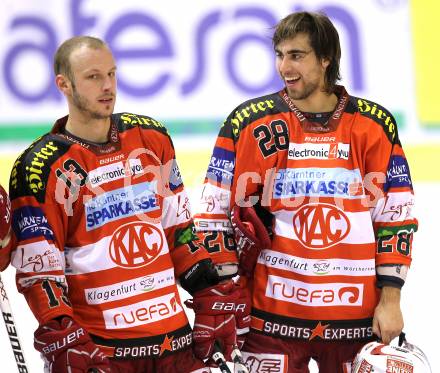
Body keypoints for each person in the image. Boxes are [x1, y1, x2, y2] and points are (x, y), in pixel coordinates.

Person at [7, 36, 247, 373]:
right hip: (102, 355)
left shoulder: (150, 138)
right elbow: (40, 272)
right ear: (64, 84)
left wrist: (209, 290)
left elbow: (179, 230)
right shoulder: (42, 167)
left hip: (176, 345)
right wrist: (62, 335)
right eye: (93, 77)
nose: (107, 87)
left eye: (112, 74)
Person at [193, 11, 417, 372]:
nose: (284, 66)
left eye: (296, 55)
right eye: (279, 55)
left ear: (326, 59)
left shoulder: (374, 125)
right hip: (269, 319)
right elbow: (212, 212)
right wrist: (221, 292)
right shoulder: (249, 122)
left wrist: (391, 298)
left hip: (356, 319)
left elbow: (397, 216)